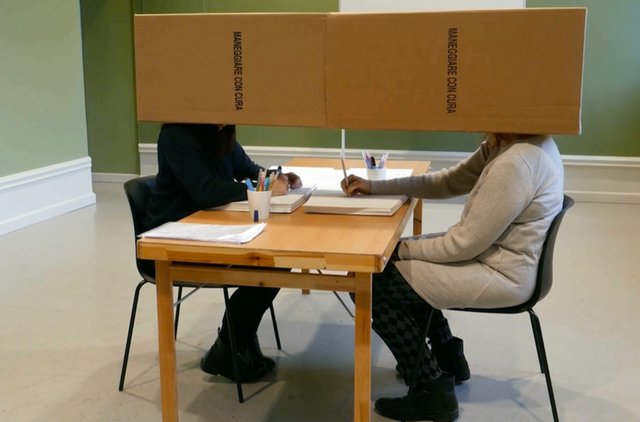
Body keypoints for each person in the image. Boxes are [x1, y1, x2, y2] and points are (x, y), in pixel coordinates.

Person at [341, 133, 564, 421]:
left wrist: (399, 250)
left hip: (501, 274)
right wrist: (375, 187)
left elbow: (462, 245)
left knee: (370, 282)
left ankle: (432, 391)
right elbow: (447, 182)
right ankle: (447, 357)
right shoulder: (513, 143)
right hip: (500, 260)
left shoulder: (516, 163)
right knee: (393, 268)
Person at [142, 123, 302, 383]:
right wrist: (260, 190)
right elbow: (205, 191)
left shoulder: (222, 130)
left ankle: (236, 343)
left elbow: (248, 170)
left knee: (277, 259)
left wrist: (276, 178)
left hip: (210, 229)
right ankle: (229, 347)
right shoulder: (176, 134)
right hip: (174, 239)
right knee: (270, 262)